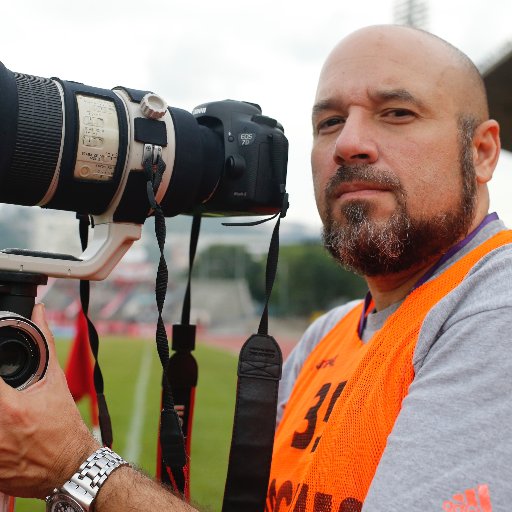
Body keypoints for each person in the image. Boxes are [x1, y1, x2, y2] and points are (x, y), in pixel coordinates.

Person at [0, 23, 510, 512]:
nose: (348, 143)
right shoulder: (323, 339)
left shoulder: (497, 307)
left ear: (483, 151)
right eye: (328, 122)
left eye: (397, 112)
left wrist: (73, 465)